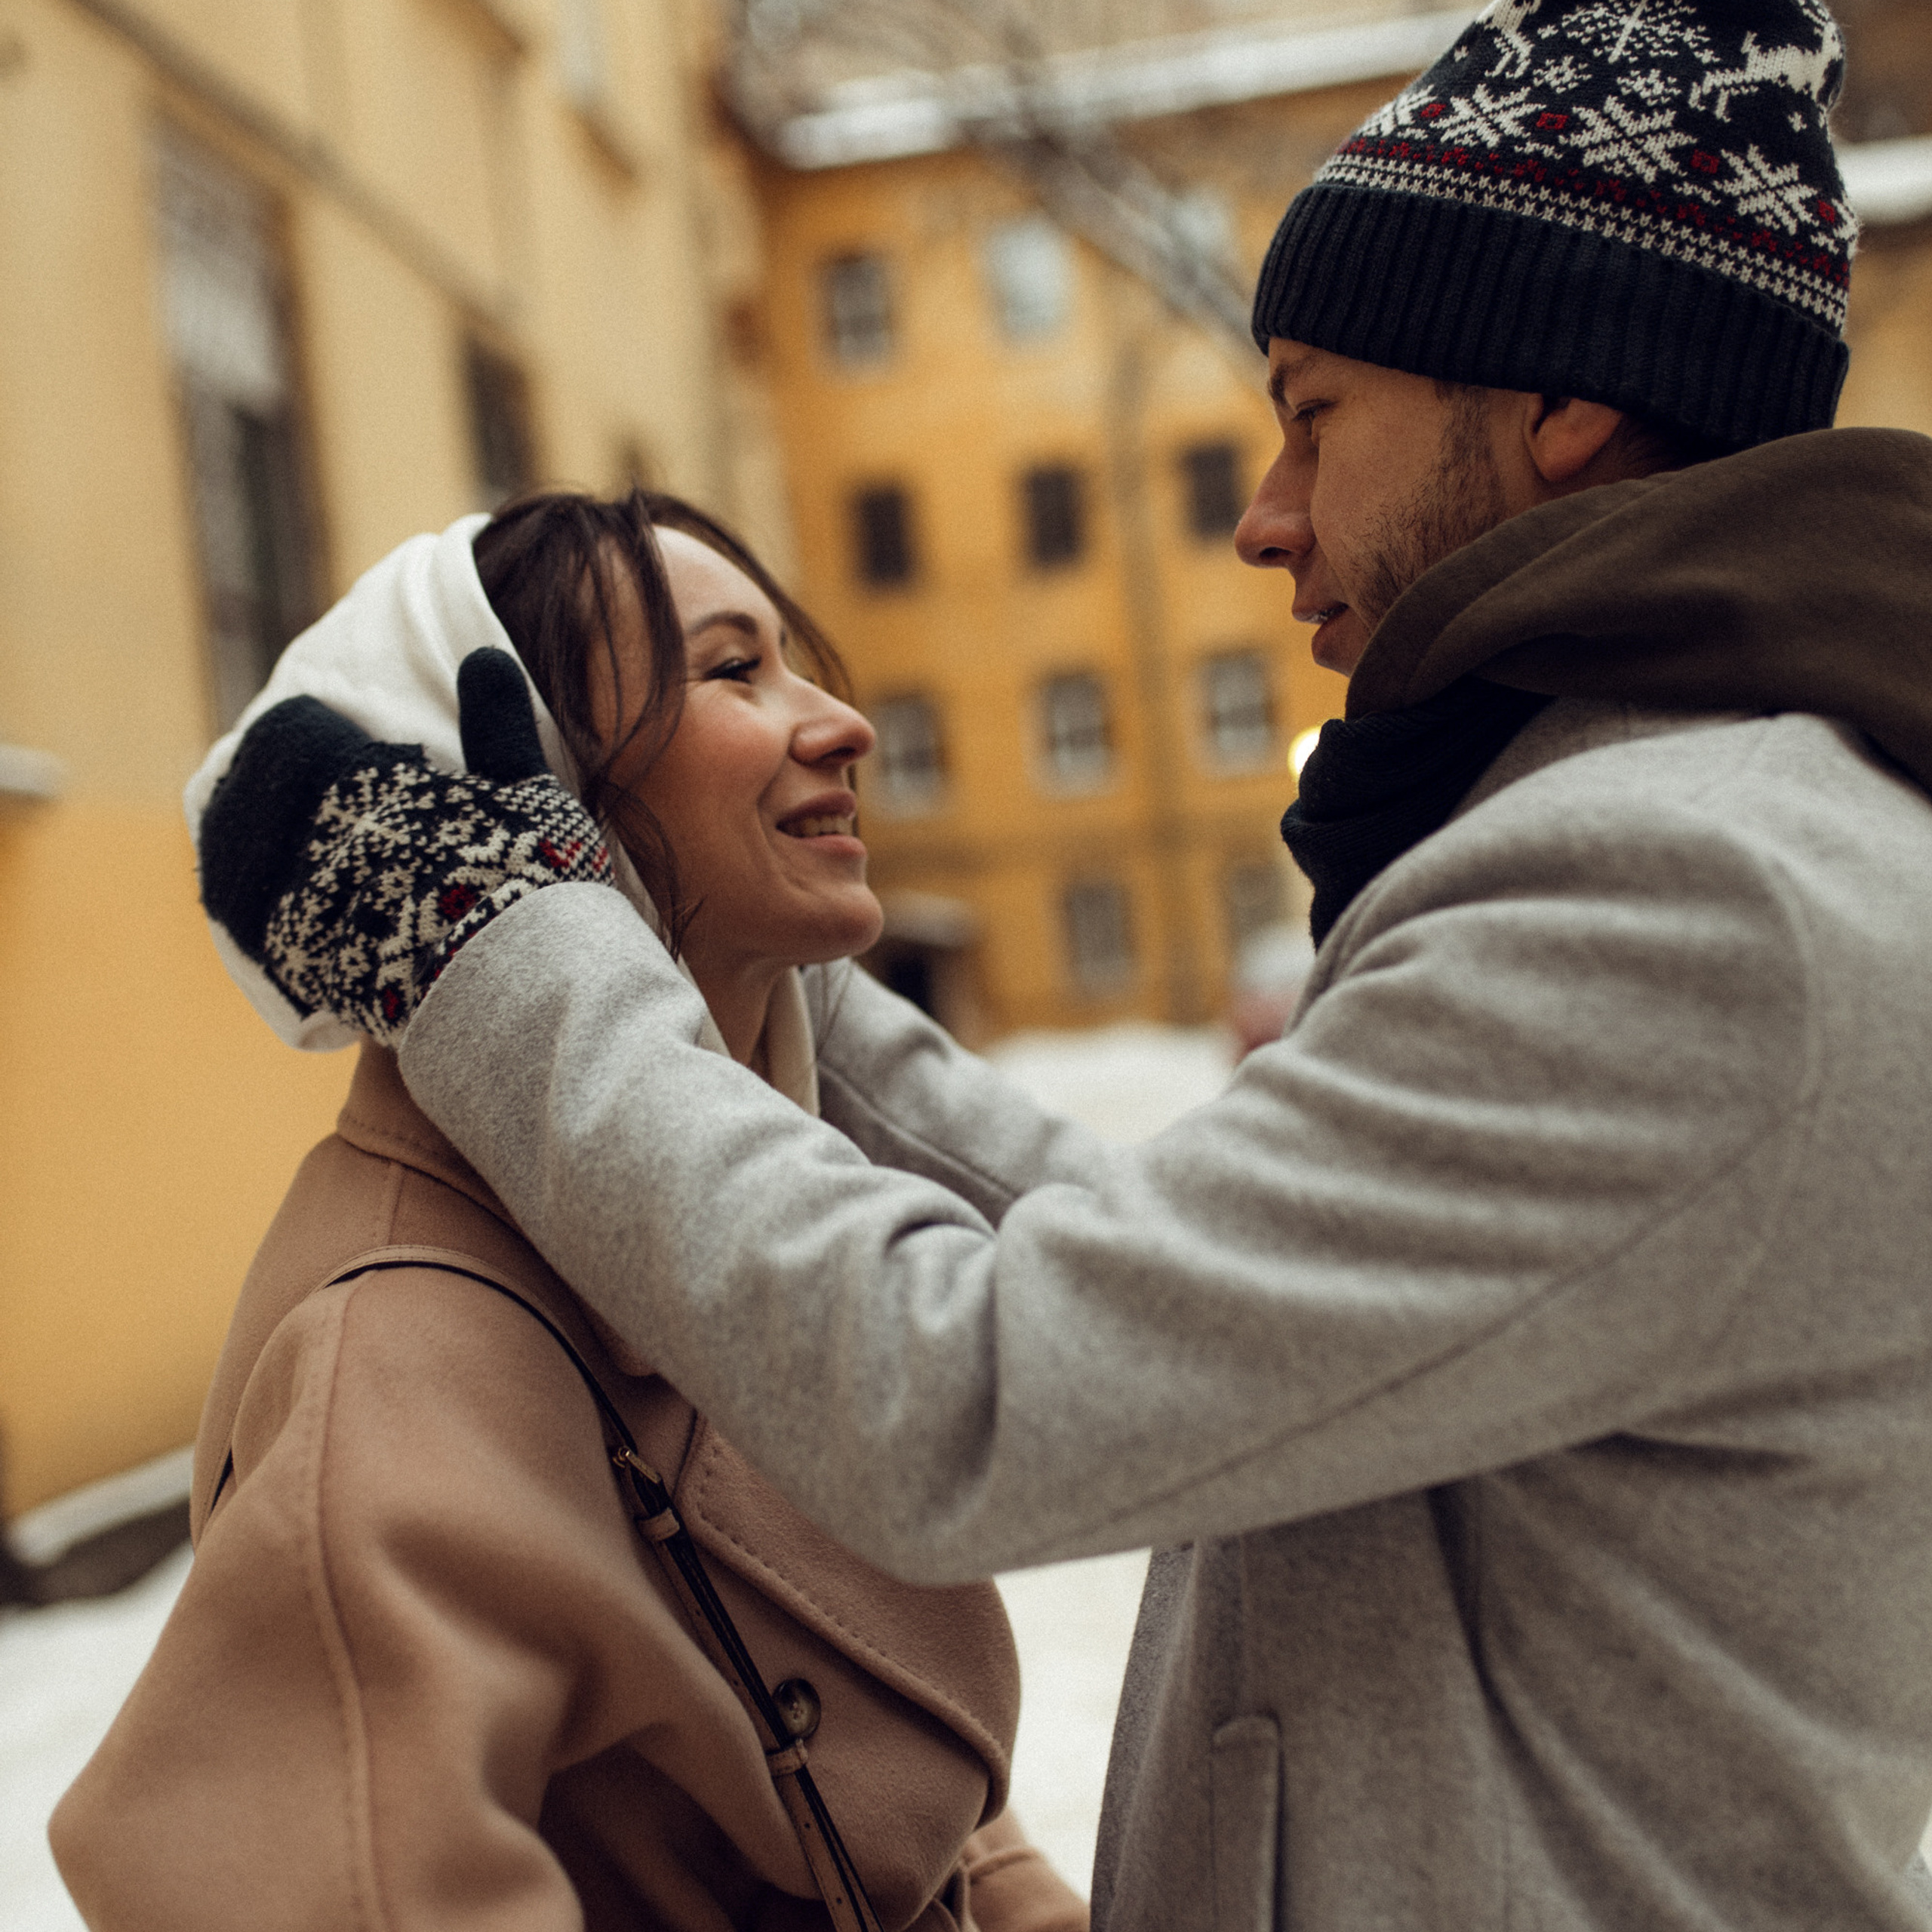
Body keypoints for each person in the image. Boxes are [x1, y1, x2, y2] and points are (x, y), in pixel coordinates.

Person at [186, 1, 1932, 1925]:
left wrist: (492, 941)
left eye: (1310, 409)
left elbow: (975, 1391)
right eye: (729, 670)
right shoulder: (1717, 824)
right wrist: (767, 995)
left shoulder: (1683, 892)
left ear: (1559, 400)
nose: (1266, 515)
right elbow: (1206, 1282)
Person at [50, 491, 1088, 1932]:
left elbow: (901, 1795)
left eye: (795, 660)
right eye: (734, 670)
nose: (841, 721)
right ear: (518, 787)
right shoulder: (400, 1354)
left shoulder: (761, 1209)